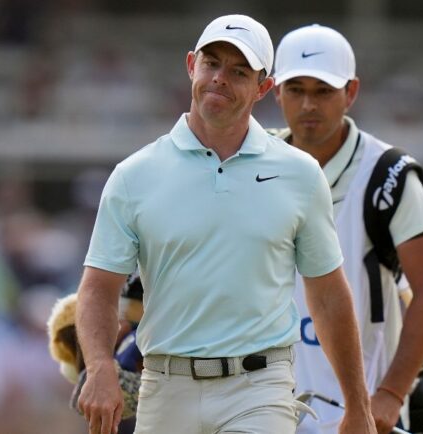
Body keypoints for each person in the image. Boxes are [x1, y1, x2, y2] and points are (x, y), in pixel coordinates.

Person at [74, 14, 376, 434]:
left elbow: (327, 295)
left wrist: (357, 405)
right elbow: (98, 288)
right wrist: (100, 366)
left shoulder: (300, 175)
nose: (219, 78)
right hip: (165, 387)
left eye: (238, 72)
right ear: (191, 65)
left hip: (260, 389)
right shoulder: (134, 175)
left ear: (263, 88)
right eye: (211, 63)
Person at [271, 24, 423, 434]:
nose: (308, 104)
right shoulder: (255, 163)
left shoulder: (387, 175)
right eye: (295, 89)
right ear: (276, 91)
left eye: (323, 91)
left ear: (351, 92)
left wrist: (389, 395)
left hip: (357, 417)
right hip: (265, 411)